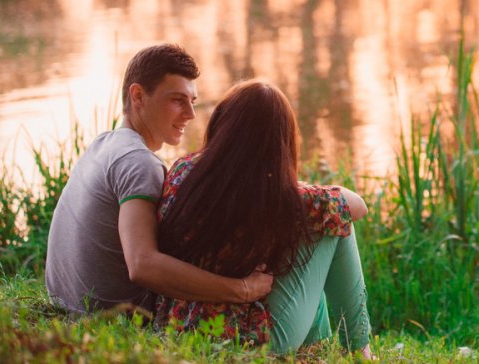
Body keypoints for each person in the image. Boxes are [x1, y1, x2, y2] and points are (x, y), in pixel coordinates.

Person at [45, 44, 274, 314]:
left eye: (193, 102)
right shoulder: (139, 162)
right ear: (138, 96)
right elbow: (143, 265)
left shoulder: (103, 145)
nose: (190, 114)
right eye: (177, 100)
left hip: (64, 305)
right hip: (111, 320)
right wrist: (242, 289)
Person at [154, 79, 373, 358]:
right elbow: (357, 205)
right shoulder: (274, 196)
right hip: (245, 342)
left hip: (178, 328)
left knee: (323, 221)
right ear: (278, 143)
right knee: (337, 223)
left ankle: (314, 351)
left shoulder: (183, 169)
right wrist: (295, 188)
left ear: (221, 125)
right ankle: (360, 351)